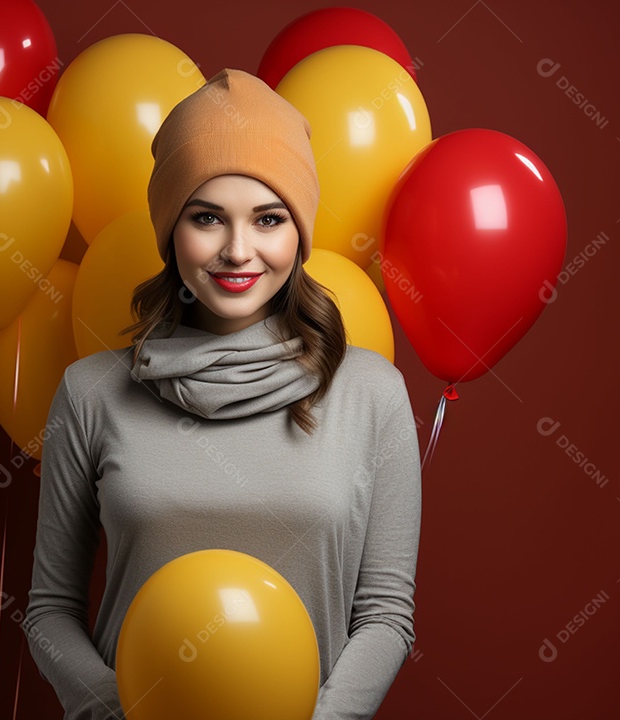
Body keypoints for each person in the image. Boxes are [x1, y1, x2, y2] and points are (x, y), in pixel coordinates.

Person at [23, 68, 422, 720]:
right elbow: (49, 611)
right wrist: (111, 711)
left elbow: (385, 615)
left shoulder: (373, 396)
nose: (239, 251)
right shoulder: (92, 392)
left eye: (268, 219)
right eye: (207, 218)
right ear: (169, 231)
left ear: (299, 233)